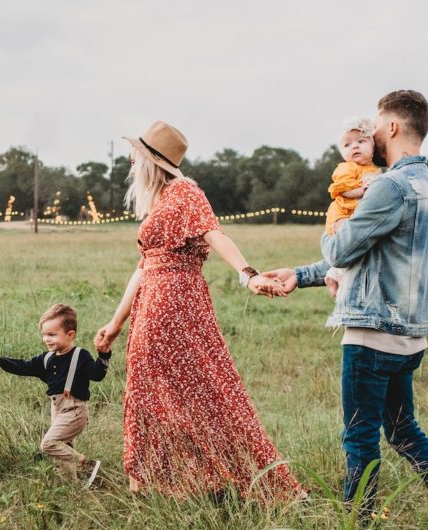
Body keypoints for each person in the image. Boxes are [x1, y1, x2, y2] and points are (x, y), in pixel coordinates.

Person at [264, 91, 428, 530]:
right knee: (404, 431)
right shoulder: (427, 186)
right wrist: (301, 275)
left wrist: (335, 228)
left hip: (371, 334)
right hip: (409, 336)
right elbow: (371, 256)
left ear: (394, 128)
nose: (371, 134)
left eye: (377, 126)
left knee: (359, 436)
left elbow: (344, 248)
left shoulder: (389, 185)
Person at [94, 120, 305, 501]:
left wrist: (248, 275)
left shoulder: (185, 192)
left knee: (201, 389)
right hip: (153, 302)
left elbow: (215, 234)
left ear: (152, 161)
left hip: (174, 303)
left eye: (135, 155)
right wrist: (115, 323)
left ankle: (210, 477)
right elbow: (143, 267)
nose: (129, 161)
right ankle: (156, 481)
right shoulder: (159, 201)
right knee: (151, 390)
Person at [0, 304, 108, 488]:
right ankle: (72, 488)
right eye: (45, 334)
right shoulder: (47, 358)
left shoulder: (80, 356)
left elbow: (97, 375)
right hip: (57, 409)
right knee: (62, 454)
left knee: (49, 444)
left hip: (75, 410)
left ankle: (86, 464)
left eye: (52, 335)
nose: (46, 339)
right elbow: (23, 366)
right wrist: (0, 360)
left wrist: (104, 354)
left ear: (70, 335)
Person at [324, 118, 382, 295]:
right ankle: (336, 274)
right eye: (347, 145)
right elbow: (342, 189)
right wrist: (361, 191)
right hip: (342, 212)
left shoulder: (375, 170)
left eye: (361, 142)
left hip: (355, 213)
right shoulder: (347, 167)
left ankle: (335, 273)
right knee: (348, 239)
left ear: (373, 147)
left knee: (359, 242)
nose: (354, 147)